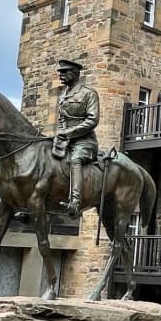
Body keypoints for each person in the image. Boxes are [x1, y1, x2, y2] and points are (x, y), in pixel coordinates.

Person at [55, 58, 99, 216]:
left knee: (75, 160)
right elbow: (61, 119)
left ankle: (75, 202)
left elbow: (92, 120)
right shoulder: (63, 94)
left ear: (74, 74)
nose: (60, 75)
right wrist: (60, 134)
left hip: (85, 141)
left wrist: (68, 133)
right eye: (60, 72)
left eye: (64, 72)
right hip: (65, 140)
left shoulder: (89, 93)